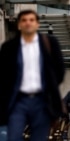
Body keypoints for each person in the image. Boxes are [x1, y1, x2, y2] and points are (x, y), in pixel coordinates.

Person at [0, 10, 65, 141]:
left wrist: (50, 87)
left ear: (37, 24)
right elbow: (3, 74)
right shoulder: (9, 47)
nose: (28, 23)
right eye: (24, 20)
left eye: (31, 20)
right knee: (13, 136)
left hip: (42, 100)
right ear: (19, 25)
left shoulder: (49, 43)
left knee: (39, 138)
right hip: (18, 101)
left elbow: (59, 70)